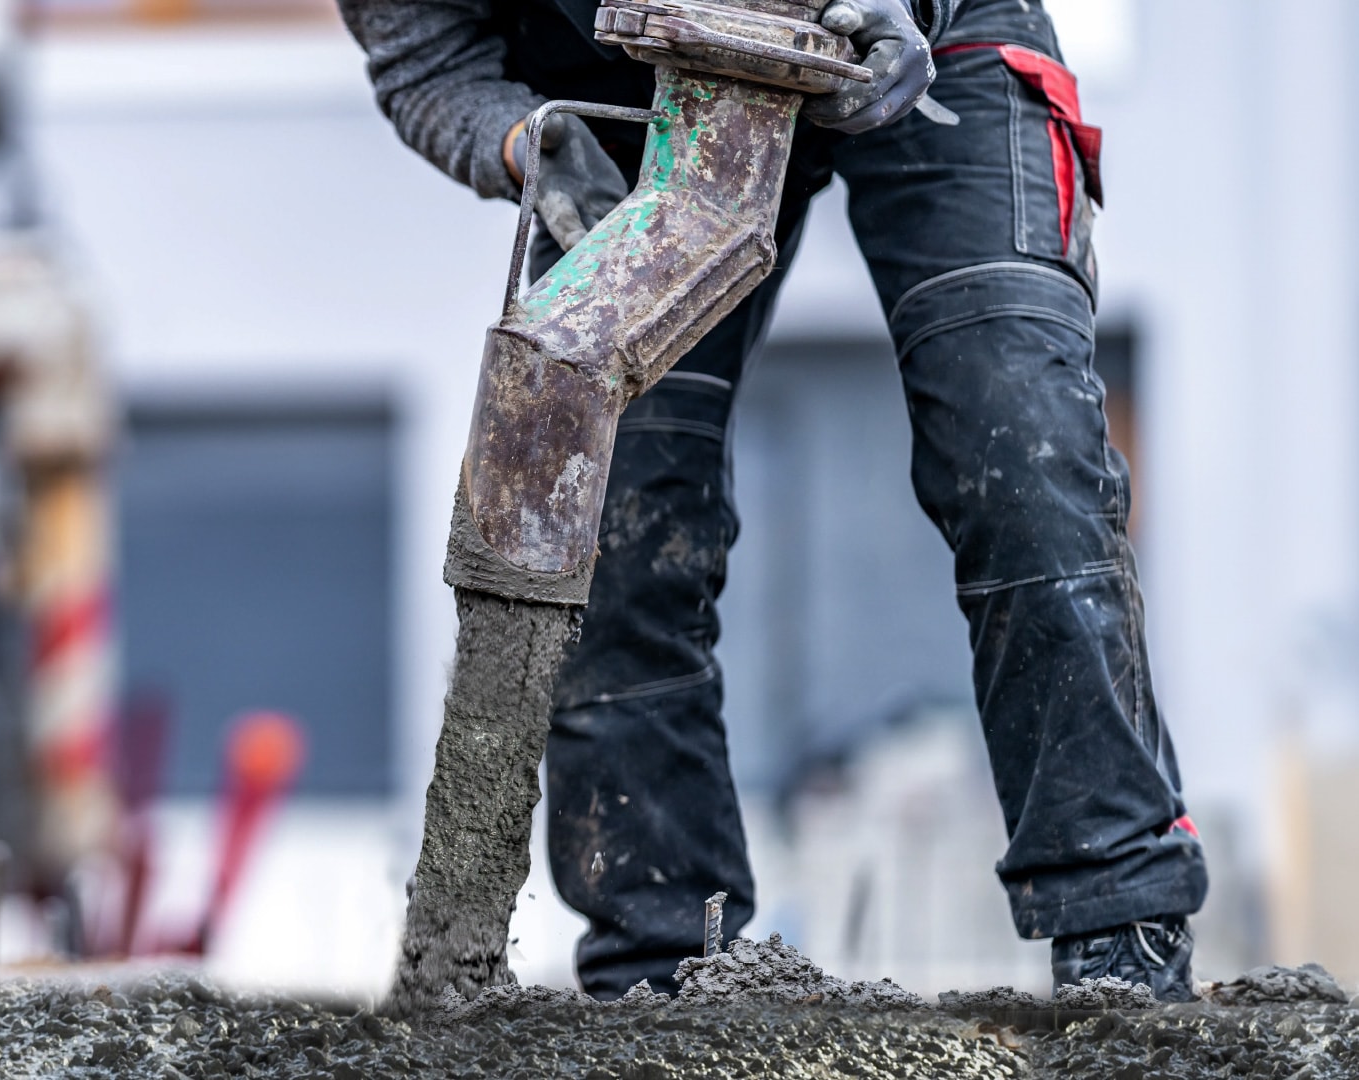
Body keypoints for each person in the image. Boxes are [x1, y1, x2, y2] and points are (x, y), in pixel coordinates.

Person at [338, 0, 1209, 1002]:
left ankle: (1121, 935)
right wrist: (520, 139)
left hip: (926, 42)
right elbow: (426, 63)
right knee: (612, 518)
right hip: (656, 105)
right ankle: (668, 974)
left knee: (1019, 441)